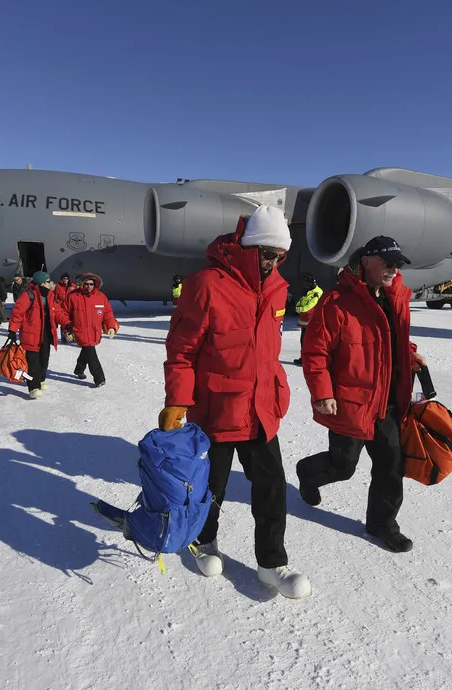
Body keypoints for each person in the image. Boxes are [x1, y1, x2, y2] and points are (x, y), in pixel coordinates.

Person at [159, 204, 310, 599]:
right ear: (249, 246)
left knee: (272, 489)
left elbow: (269, 349)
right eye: (268, 254)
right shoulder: (206, 284)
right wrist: (177, 402)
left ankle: (271, 563)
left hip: (261, 409)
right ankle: (203, 541)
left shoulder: (277, 287)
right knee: (211, 488)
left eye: (280, 256)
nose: (273, 263)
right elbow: (181, 352)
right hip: (217, 410)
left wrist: (277, 389)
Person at [296, 236, 427, 553]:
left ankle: (382, 524)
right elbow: (315, 353)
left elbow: (395, 339)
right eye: (388, 263)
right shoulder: (337, 302)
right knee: (343, 466)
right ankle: (308, 473)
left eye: (398, 264)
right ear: (366, 262)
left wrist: (409, 354)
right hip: (351, 402)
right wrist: (323, 393)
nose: (394, 269)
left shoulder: (395, 297)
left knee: (391, 467)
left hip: (389, 402)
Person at [8, 271, 71, 399]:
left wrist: (67, 324)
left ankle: (41, 379)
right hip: (31, 334)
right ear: (41, 283)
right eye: (48, 282)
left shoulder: (50, 295)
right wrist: (12, 331)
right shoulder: (28, 295)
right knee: (33, 362)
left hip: (46, 333)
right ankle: (33, 387)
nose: (50, 283)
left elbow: (58, 312)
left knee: (44, 359)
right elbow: (17, 313)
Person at [66, 272, 119, 387]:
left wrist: (111, 326)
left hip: (95, 330)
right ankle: (99, 378)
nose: (89, 286)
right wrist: (67, 329)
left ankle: (79, 369)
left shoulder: (101, 297)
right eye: (86, 284)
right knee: (90, 352)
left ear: (95, 285)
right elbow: (64, 313)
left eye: (91, 284)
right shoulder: (73, 296)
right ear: (82, 284)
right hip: (80, 330)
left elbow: (108, 313)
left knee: (87, 350)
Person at [291, 273, 323, 366]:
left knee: (308, 342)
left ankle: (308, 360)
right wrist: (298, 307)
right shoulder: (309, 291)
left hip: (310, 321)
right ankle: (305, 359)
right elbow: (302, 301)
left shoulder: (316, 294)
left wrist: (299, 309)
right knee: (304, 341)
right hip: (305, 321)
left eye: (306, 284)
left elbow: (309, 306)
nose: (305, 285)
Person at [53, 273, 76, 343]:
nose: (65, 280)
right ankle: (64, 337)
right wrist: (56, 303)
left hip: (71, 306)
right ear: (62, 279)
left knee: (72, 321)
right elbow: (55, 296)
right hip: (62, 307)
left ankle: (73, 336)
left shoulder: (73, 286)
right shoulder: (58, 286)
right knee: (63, 321)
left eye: (67, 278)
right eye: (64, 278)